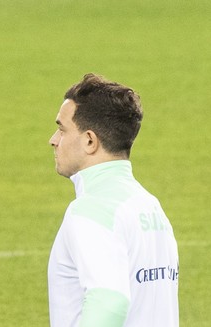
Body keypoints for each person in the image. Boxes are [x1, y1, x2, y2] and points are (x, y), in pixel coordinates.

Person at [47, 73, 179, 326]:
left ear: (89, 141)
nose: (53, 140)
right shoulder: (150, 206)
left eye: (62, 129)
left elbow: (109, 303)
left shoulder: (89, 211)